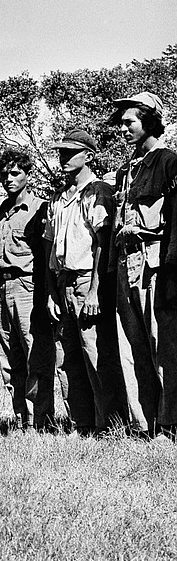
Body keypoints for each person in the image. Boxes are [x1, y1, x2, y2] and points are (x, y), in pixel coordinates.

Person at [44, 129, 122, 434]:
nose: (63, 158)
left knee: (96, 355)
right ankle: (82, 423)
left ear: (88, 156)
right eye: (61, 152)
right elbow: (51, 246)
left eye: (70, 152)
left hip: (86, 280)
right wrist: (52, 292)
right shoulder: (59, 198)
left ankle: (110, 424)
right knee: (68, 357)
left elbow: (103, 244)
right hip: (63, 283)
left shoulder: (97, 192)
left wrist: (94, 290)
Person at [110, 92, 177, 436]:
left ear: (149, 121)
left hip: (155, 267)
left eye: (129, 122)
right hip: (126, 266)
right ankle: (144, 424)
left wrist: (170, 267)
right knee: (132, 348)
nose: (123, 129)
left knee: (161, 345)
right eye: (121, 123)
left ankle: (169, 424)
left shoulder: (168, 162)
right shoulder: (126, 170)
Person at [0, 149, 56, 430]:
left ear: (28, 175)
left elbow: (45, 256)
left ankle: (41, 421)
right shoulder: (0, 213)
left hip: (27, 286)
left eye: (15, 173)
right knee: (9, 358)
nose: (9, 179)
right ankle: (21, 419)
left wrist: (45, 294)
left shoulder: (40, 208)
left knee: (34, 356)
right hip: (1, 287)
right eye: (4, 174)